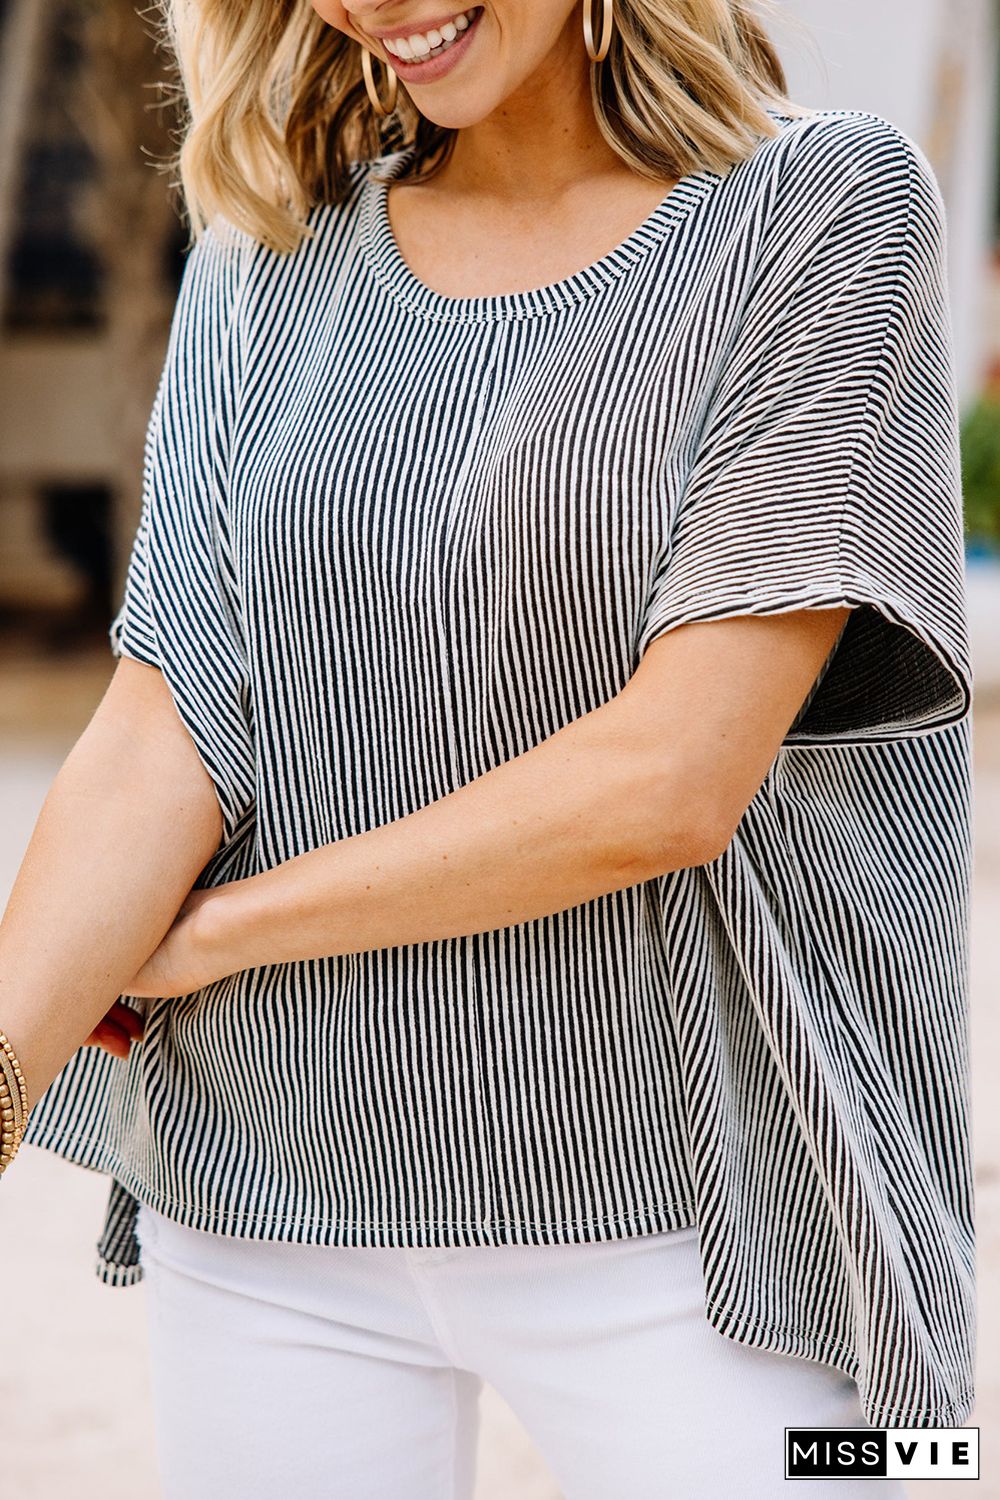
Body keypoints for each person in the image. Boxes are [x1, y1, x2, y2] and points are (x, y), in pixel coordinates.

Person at [1, 0, 975, 1495]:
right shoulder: (270, 258)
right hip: (270, 1209)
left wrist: (219, 935)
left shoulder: (825, 208)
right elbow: (162, 729)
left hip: (711, 1214)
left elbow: (670, 781)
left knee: (890, 1474)